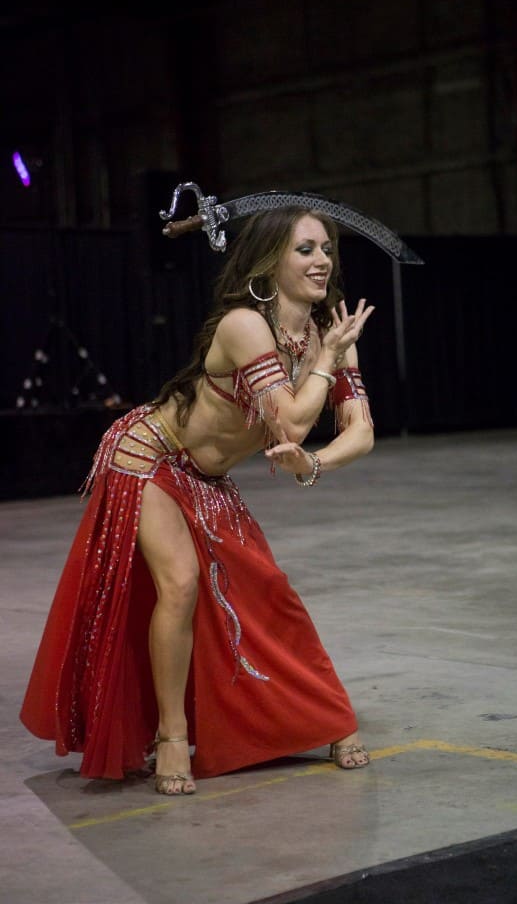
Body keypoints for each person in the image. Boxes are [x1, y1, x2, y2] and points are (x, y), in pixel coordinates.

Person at [20, 206, 376, 795]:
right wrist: (326, 362)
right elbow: (289, 419)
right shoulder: (244, 325)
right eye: (305, 249)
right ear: (270, 262)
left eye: (326, 250)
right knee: (181, 584)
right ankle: (172, 737)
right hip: (149, 459)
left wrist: (315, 462)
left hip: (208, 479)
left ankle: (322, 716)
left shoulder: (323, 337)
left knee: (269, 592)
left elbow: (359, 432)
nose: (322, 262)